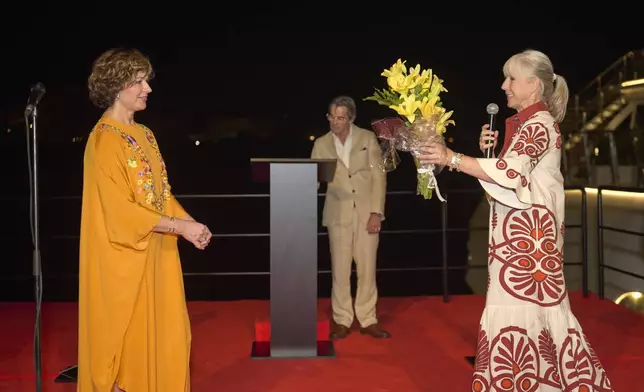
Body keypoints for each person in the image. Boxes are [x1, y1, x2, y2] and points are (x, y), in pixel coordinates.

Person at [418, 49, 613, 391]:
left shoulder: (539, 126)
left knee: (527, 308)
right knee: (527, 310)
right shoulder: (528, 124)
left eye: (511, 78)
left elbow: (511, 174)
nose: (504, 85)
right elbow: (512, 175)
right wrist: (489, 153)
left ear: (534, 85)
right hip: (523, 239)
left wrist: (452, 158)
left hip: (530, 242)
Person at [78, 48, 212, 392]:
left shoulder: (145, 133)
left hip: (157, 252)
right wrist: (178, 227)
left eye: (146, 80)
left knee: (169, 335)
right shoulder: (104, 139)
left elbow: (160, 194)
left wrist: (189, 224)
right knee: (129, 343)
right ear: (116, 85)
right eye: (138, 81)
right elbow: (119, 211)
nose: (147, 88)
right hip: (123, 260)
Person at [311, 96, 390, 339]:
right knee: (340, 269)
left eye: (340, 117)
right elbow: (313, 178)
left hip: (367, 213)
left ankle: (368, 319)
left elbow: (379, 177)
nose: (335, 122)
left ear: (351, 118)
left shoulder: (367, 138)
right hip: (337, 214)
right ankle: (342, 319)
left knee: (367, 268)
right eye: (332, 117)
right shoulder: (321, 144)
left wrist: (376, 212)